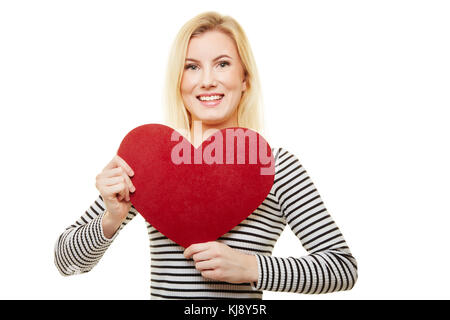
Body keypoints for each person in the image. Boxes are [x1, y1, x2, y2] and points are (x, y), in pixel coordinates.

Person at [54, 11, 358, 299]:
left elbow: (342, 267)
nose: (207, 80)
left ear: (245, 79)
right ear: (180, 81)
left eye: (223, 64)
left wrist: (250, 267)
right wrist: (111, 218)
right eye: (192, 66)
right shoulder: (152, 161)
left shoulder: (275, 166)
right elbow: (65, 262)